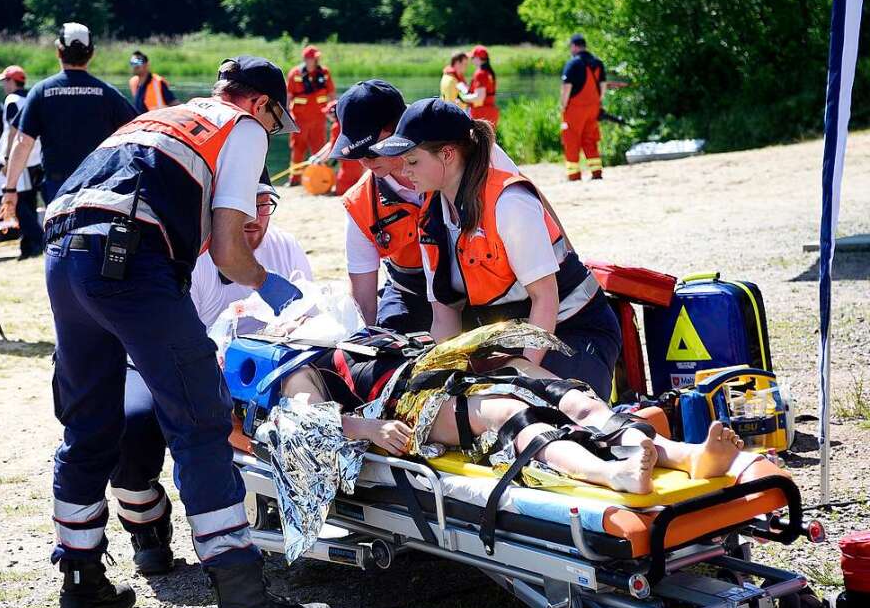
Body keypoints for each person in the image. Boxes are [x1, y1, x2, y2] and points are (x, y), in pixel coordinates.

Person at [40, 53, 335, 608]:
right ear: (260, 105)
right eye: (276, 125)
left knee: (89, 426)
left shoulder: (163, 115)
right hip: (127, 261)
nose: (271, 138)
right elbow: (228, 252)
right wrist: (268, 284)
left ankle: (81, 586)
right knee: (201, 422)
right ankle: (244, 603)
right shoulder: (241, 127)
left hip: (63, 248)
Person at [279, 322, 746, 496]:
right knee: (507, 414)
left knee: (563, 393)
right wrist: (371, 427)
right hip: (405, 405)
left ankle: (682, 455)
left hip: (438, 369)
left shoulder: (357, 332)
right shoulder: (297, 365)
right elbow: (306, 424)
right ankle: (614, 475)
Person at [112, 172, 312, 575]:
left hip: (250, 370)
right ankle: (146, 523)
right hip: (162, 362)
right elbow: (178, 351)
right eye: (244, 205)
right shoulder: (191, 257)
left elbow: (307, 318)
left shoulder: (283, 245)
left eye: (264, 203)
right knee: (131, 425)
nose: (255, 217)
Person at [369, 98, 622, 400]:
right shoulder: (430, 218)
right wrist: (437, 376)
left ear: (447, 154)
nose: (404, 172)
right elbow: (444, 315)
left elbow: (546, 299)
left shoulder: (509, 203)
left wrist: (524, 374)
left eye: (412, 161)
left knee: (549, 413)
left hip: (570, 329)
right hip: (509, 338)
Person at [330, 81, 524, 334]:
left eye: (371, 151)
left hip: (486, 289)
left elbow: (530, 203)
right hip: (411, 296)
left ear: (399, 127)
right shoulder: (360, 204)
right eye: (356, 154)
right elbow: (363, 301)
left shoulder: (465, 150)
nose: (365, 162)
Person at [0, 23, 137, 213]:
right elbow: (137, 134)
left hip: (58, 187)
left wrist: (10, 189)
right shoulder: (108, 94)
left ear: (58, 52)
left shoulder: (42, 92)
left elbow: (23, 142)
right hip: (100, 187)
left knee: (59, 239)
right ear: (92, 54)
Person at [0, 65, 44, 258]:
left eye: (5, 81)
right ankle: (29, 246)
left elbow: (13, 131)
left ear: (12, 81)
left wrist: (7, 158)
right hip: (35, 157)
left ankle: (37, 240)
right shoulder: (31, 97)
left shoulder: (12, 100)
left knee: (20, 204)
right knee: (29, 201)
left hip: (20, 158)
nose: (4, 86)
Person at [286, 45, 335, 186]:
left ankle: (319, 180)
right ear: (306, 59)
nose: (316, 59)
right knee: (297, 149)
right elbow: (289, 95)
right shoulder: (295, 73)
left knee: (319, 150)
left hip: (319, 119)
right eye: (313, 57)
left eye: (316, 57)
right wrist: (287, 115)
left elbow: (331, 93)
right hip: (299, 119)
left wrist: (335, 111)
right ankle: (294, 180)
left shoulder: (324, 72)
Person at [560, 33, 606, 181]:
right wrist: (598, 103)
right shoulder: (598, 63)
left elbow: (566, 87)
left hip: (575, 109)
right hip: (593, 107)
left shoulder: (573, 64)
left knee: (571, 140)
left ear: (574, 46)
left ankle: (574, 175)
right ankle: (596, 172)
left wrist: (563, 106)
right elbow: (603, 86)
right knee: (590, 139)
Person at [310, 101, 362, 196]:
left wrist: (320, 160)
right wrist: (317, 156)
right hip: (358, 160)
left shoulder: (337, 127)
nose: (327, 116)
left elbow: (333, 148)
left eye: (328, 113)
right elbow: (331, 144)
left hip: (350, 164)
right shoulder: (348, 124)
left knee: (341, 190)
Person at [467, 45, 499, 127]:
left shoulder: (481, 73)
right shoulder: (489, 73)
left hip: (481, 114)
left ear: (478, 58)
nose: (471, 60)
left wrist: (463, 98)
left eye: (473, 57)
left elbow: (480, 97)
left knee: (476, 140)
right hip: (490, 113)